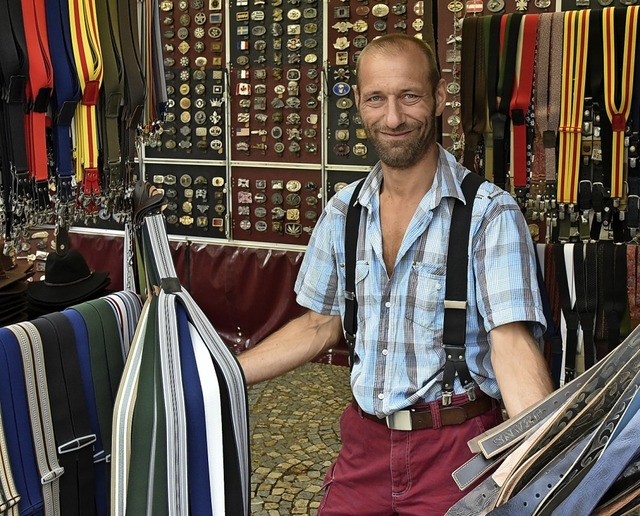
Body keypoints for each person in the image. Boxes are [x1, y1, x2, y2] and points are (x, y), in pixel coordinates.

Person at [238, 33, 554, 515]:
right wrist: (223, 376)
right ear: (358, 104)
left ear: (439, 96)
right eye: (376, 99)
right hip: (364, 444)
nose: (393, 118)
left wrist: (545, 459)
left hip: (457, 447)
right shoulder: (343, 212)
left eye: (409, 96)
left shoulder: (489, 214)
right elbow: (318, 324)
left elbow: (510, 343)